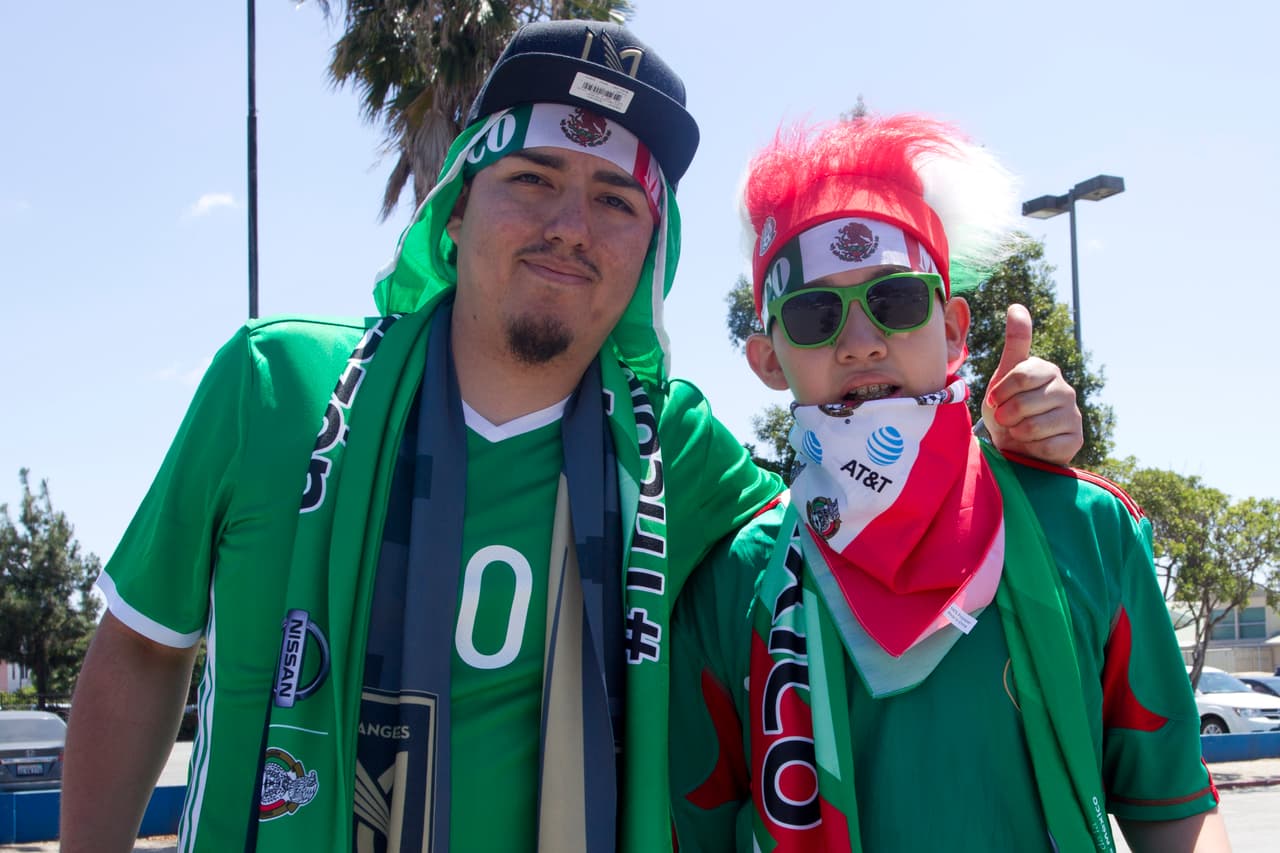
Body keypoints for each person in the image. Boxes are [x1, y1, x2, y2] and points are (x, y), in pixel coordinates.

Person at [61, 23, 1083, 853]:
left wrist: (988, 442)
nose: (571, 226)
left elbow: (862, 513)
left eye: (613, 200)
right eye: (534, 178)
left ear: (650, 251)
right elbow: (143, 655)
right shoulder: (274, 386)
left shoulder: (676, 449)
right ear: (456, 209)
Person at [669, 115, 1229, 852]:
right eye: (813, 313)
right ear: (769, 359)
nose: (861, 339)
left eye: (895, 301)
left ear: (957, 329)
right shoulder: (733, 576)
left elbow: (1174, 807)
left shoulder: (1088, 528)